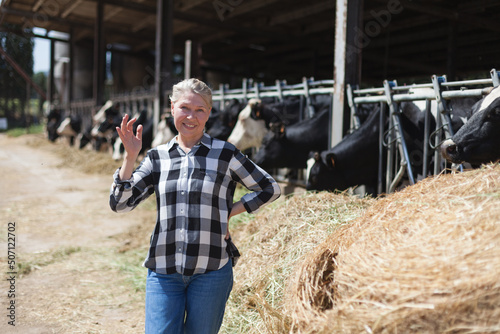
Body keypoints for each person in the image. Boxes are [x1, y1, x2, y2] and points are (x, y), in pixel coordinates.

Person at [109, 78, 281, 334]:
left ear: (209, 113)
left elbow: (270, 188)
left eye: (200, 109)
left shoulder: (225, 154)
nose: (191, 116)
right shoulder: (157, 157)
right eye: (185, 108)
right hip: (164, 270)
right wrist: (130, 157)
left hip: (211, 271)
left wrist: (229, 212)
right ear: (172, 108)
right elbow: (119, 204)